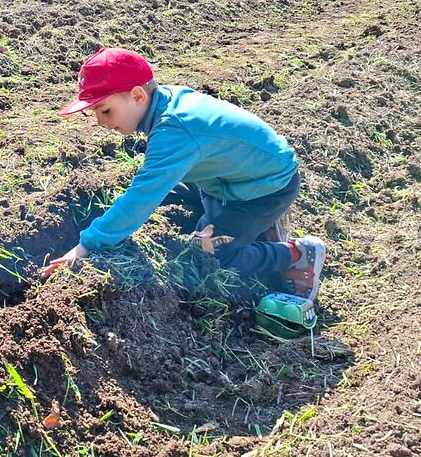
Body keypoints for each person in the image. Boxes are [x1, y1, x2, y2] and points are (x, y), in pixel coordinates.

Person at [40, 48, 326, 304]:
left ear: (138, 95)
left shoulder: (175, 130)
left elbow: (142, 195)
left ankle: (297, 254)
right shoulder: (166, 101)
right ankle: (255, 230)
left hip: (263, 188)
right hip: (226, 177)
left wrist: (85, 246)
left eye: (105, 110)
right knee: (167, 201)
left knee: (213, 257)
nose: (101, 122)